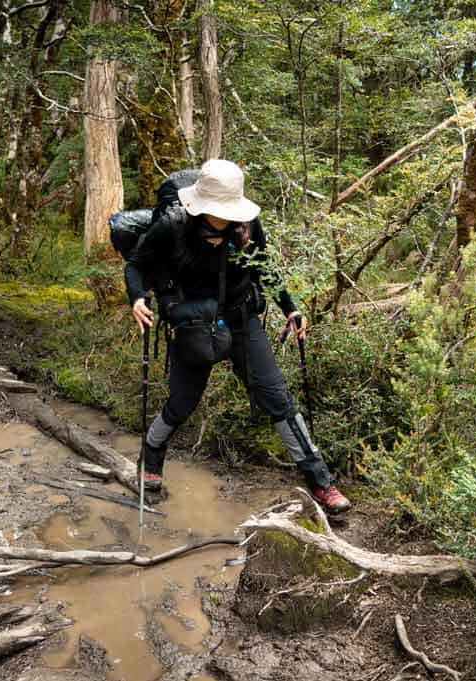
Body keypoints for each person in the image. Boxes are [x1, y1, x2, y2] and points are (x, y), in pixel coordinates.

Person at [124, 159, 351, 514]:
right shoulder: (173, 225)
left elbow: (263, 267)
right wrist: (137, 298)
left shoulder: (247, 224)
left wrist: (290, 308)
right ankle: (150, 459)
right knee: (182, 403)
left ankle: (321, 482)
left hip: (241, 317)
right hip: (195, 322)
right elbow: (136, 265)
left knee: (277, 398)